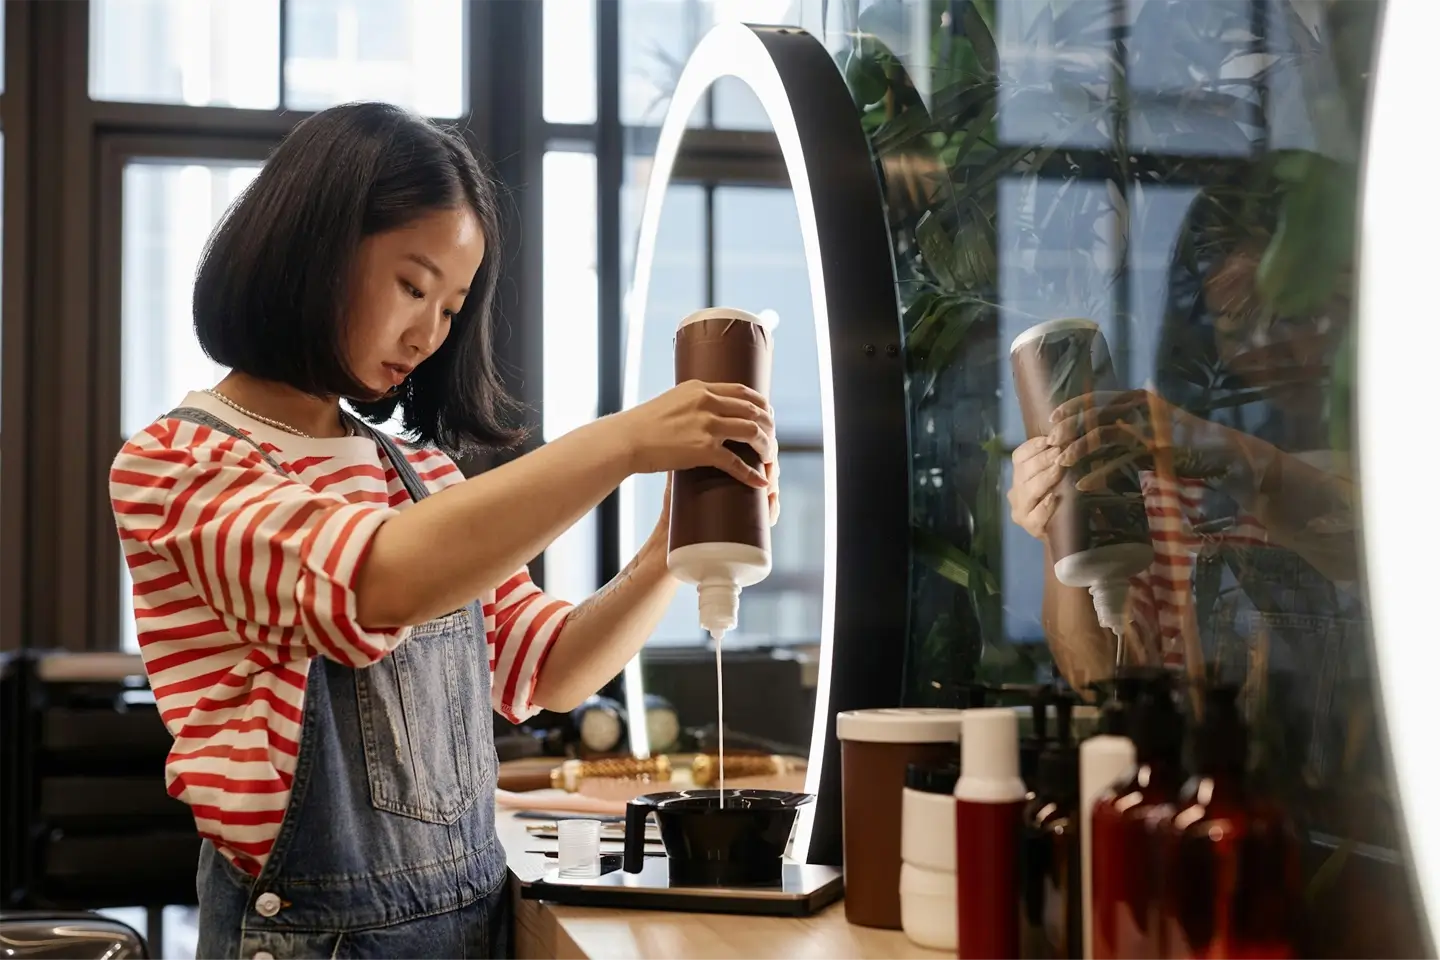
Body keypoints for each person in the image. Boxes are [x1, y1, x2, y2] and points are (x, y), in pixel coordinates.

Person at [109, 102, 779, 960]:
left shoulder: (420, 478)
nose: (429, 333)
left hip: (470, 923)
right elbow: (374, 579)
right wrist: (621, 441)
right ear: (313, 249)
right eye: (413, 285)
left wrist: (670, 549)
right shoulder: (177, 464)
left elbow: (550, 669)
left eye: (454, 306)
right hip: (314, 939)